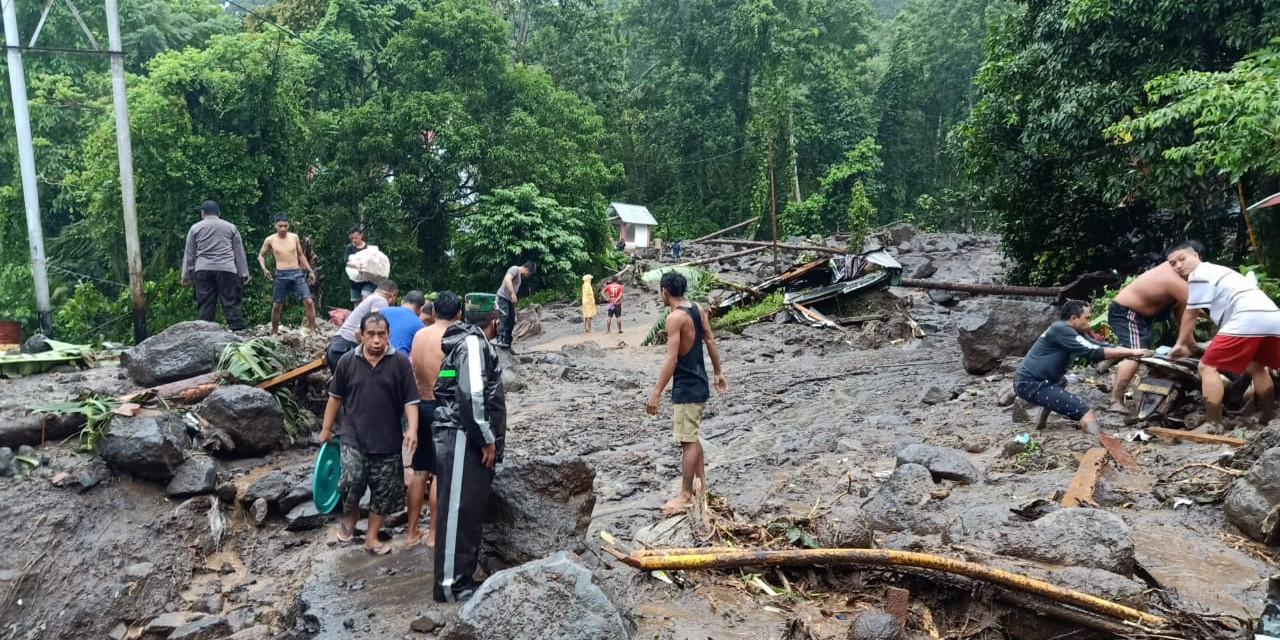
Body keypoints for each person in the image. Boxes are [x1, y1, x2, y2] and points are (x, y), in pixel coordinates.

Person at [319, 312, 420, 556]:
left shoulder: (400, 363)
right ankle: (352, 518)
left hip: (387, 440)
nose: (376, 340)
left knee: (383, 491)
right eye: (371, 334)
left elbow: (411, 400)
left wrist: (413, 429)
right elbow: (335, 398)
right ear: (360, 335)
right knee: (350, 481)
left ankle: (372, 537)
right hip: (353, 436)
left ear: (388, 335)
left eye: (381, 335)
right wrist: (326, 428)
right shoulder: (346, 362)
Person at [433, 293, 506, 603]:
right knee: (458, 512)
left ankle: (460, 579)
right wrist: (487, 438)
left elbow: (445, 386)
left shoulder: (463, 344)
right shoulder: (474, 345)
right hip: (463, 436)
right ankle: (451, 585)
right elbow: (471, 394)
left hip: (460, 435)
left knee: (465, 510)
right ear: (495, 321)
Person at [1168, 242, 1280, 431]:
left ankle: (1213, 423)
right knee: (1257, 366)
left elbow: (1191, 312)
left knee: (1206, 366)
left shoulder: (1199, 275)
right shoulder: (1219, 272)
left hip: (1247, 316)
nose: (1178, 266)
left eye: (1182, 259)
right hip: (1272, 315)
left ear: (1196, 255)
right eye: (1173, 264)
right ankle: (1269, 417)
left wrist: (1181, 343)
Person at [646, 271, 727, 515]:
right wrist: (718, 372)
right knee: (692, 435)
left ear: (664, 291)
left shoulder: (675, 318)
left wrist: (657, 393)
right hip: (699, 381)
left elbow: (671, 360)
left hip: (686, 386)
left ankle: (685, 494)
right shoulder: (697, 309)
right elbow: (711, 341)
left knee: (687, 440)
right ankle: (702, 486)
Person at [1014, 300, 1148, 435]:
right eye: (1087, 318)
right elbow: (1093, 352)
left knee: (1061, 381)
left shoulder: (1072, 331)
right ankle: (1097, 440)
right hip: (1032, 384)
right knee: (1086, 412)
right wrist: (1131, 352)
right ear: (1073, 318)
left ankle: (1040, 423)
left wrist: (1131, 351)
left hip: (1036, 381)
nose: (1089, 322)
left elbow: (1097, 345)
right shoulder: (1061, 330)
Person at [407, 291, 462, 548]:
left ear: (434, 312)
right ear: (458, 314)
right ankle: (433, 534)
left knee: (419, 471)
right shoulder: (452, 338)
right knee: (441, 473)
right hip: (443, 408)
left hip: (419, 406)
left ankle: (411, 531)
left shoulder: (419, 335)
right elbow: (448, 373)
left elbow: (415, 368)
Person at [1105, 259, 1189, 412]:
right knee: (1135, 354)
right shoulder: (1171, 275)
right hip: (1127, 312)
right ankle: (1114, 400)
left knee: (1139, 353)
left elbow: (1182, 309)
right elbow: (1197, 306)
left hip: (1142, 316)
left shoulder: (1183, 278)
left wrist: (1186, 340)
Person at [181, 200, 250, 330]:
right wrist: (243, 272)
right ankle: (237, 331)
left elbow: (189, 253)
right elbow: (239, 252)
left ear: (203, 213)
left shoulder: (195, 228)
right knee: (230, 302)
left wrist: (186, 275)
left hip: (203, 269)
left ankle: (205, 333)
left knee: (206, 303)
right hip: (227, 269)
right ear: (219, 213)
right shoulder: (230, 227)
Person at [257, 212, 318, 335]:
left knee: (309, 302)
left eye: (285, 225)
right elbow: (261, 255)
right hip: (281, 274)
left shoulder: (294, 237)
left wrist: (310, 270)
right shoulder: (270, 239)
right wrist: (264, 268)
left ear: (288, 225)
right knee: (277, 305)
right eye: (280, 226)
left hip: (296, 272)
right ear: (275, 225)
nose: (283, 228)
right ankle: (274, 332)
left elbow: (300, 255)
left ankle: (312, 331)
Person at [326, 280, 397, 373]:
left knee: (344, 385)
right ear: (393, 295)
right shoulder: (381, 301)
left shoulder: (371, 298)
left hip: (336, 345)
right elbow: (359, 332)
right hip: (345, 347)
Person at [494, 261, 534, 349]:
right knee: (504, 317)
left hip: (509, 300)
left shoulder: (519, 275)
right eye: (529, 274)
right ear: (527, 270)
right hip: (502, 297)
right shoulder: (514, 269)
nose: (527, 276)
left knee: (511, 320)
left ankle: (507, 343)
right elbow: (507, 279)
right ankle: (500, 339)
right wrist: (512, 293)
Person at [381, 290, 427, 355]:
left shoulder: (382, 311)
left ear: (402, 302)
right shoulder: (420, 326)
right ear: (421, 309)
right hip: (401, 361)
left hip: (376, 357)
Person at [344, 226, 376, 306]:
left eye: (355, 238)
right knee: (357, 304)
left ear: (361, 235)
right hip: (354, 281)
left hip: (368, 280)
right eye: (352, 239)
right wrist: (356, 266)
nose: (354, 240)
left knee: (366, 296)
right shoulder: (349, 248)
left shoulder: (369, 248)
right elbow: (346, 262)